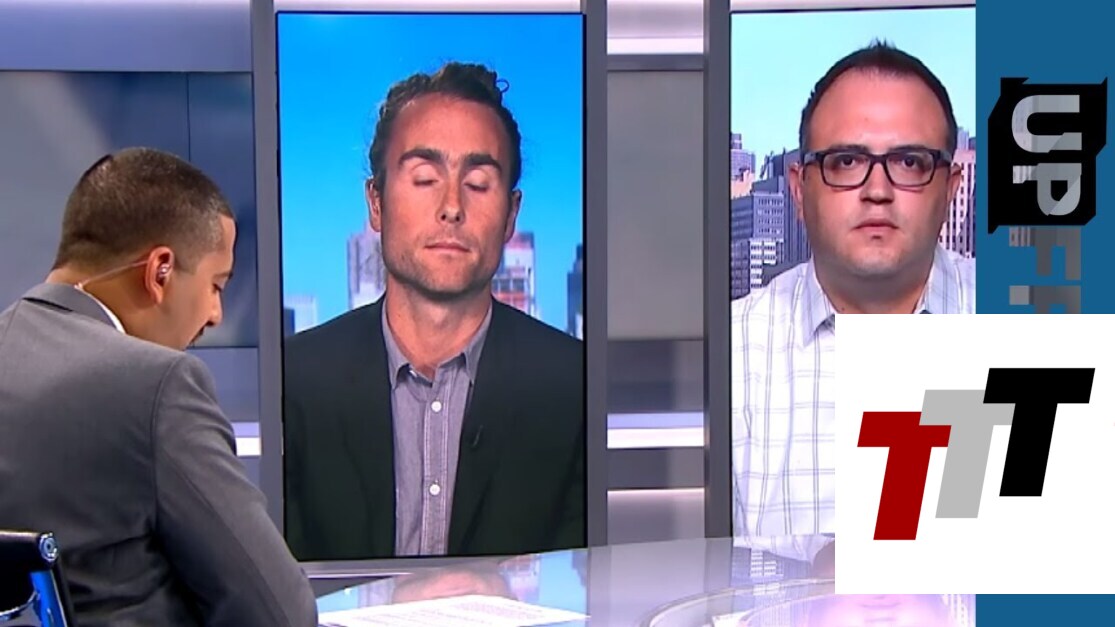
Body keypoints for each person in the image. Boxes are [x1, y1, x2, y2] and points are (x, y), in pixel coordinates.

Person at [0, 148, 317, 626]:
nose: (215, 315)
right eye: (216, 285)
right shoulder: (158, 386)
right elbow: (279, 612)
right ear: (159, 271)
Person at [283, 62, 585, 560]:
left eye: (478, 183)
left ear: (511, 214)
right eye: (425, 178)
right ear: (375, 202)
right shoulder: (296, 380)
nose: (451, 207)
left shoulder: (572, 386)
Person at [731, 41, 975, 541]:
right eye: (845, 161)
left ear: (951, 188)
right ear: (798, 188)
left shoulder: (1035, 325)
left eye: (909, 162)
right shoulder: (729, 355)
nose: (877, 190)